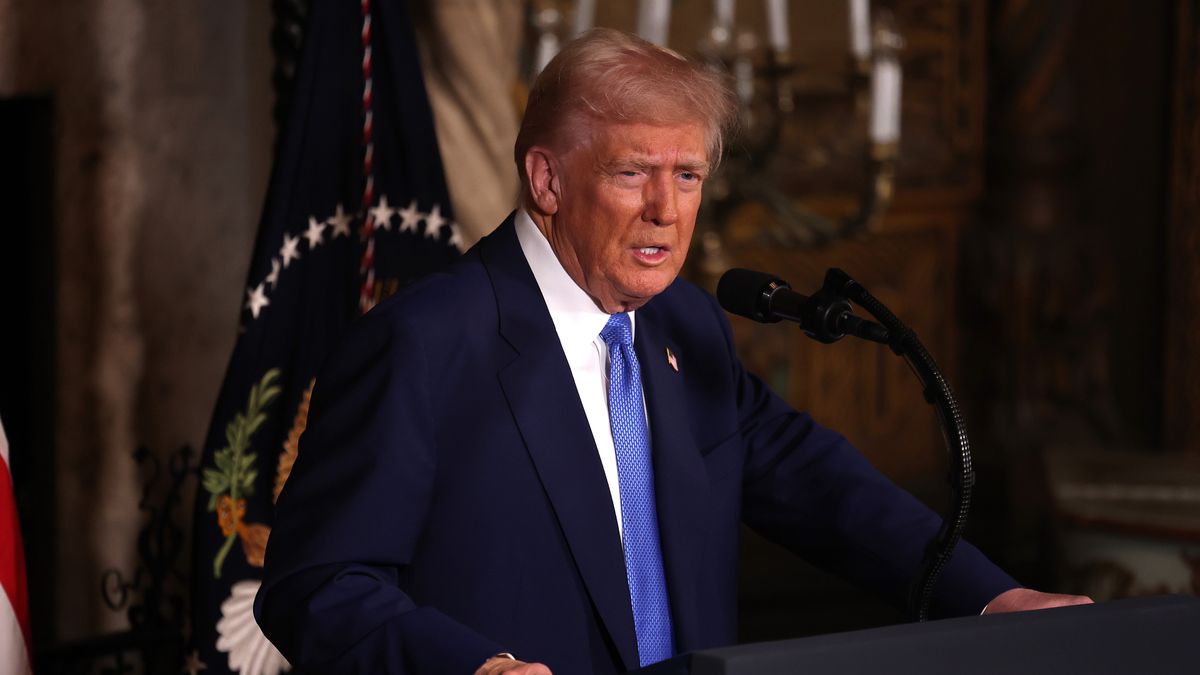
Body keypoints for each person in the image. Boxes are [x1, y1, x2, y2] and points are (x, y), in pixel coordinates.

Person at [255, 28, 1090, 675]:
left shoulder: (684, 325)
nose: (666, 208)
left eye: (687, 175)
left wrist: (991, 597)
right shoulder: (425, 341)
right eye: (632, 172)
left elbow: (821, 487)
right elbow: (315, 582)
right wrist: (475, 667)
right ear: (546, 180)